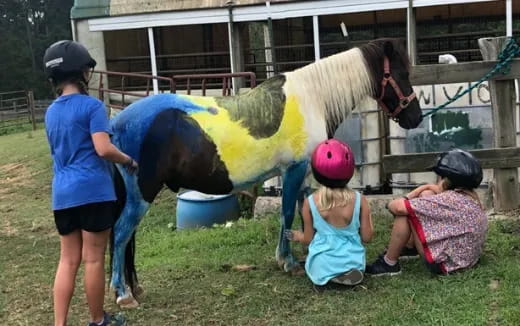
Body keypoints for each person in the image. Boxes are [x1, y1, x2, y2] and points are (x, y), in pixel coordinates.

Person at [43, 40, 137, 326]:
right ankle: (98, 321)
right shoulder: (92, 107)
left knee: (67, 261)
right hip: (93, 192)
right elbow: (103, 148)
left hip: (62, 194)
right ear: (81, 71)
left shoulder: (50, 112)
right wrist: (128, 160)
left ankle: (59, 324)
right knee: (93, 259)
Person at [366, 149, 488, 276]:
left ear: (445, 179)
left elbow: (398, 207)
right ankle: (410, 248)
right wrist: (427, 189)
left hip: (446, 265)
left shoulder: (446, 200)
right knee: (426, 195)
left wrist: (409, 195)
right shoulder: (469, 198)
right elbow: (435, 196)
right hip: (466, 259)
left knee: (405, 213)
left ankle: (388, 263)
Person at [286, 139, 373, 286]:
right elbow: (367, 237)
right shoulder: (360, 200)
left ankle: (327, 274)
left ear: (316, 170)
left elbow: (308, 239)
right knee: (352, 260)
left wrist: (297, 236)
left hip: (322, 262)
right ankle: (346, 270)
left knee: (317, 262)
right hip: (353, 260)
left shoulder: (310, 202)